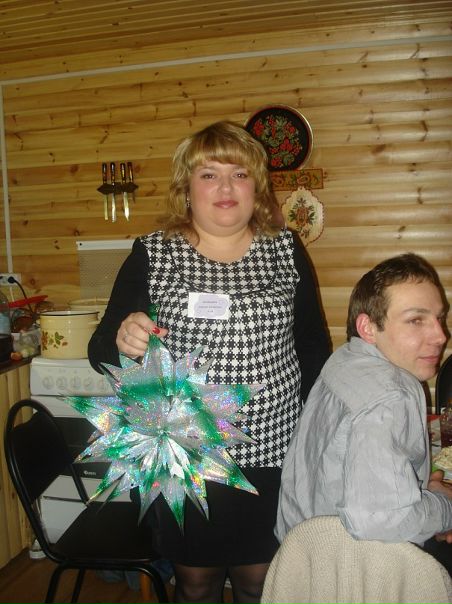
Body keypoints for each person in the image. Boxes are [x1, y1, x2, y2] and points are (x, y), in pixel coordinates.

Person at [88, 120, 331, 604]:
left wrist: (317, 431)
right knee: (196, 583)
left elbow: (313, 348)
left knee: (260, 580)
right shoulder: (153, 253)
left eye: (239, 174)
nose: (225, 187)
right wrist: (124, 338)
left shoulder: (286, 250)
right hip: (186, 453)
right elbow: (101, 349)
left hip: (275, 450)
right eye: (209, 174)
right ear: (186, 189)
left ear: (256, 188)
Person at [276, 252, 452, 572]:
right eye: (416, 320)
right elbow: (380, 520)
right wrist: (445, 507)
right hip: (354, 574)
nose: (441, 336)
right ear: (368, 327)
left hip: (298, 560)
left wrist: (422, 490)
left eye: (439, 318)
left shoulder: (344, 359)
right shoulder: (392, 394)